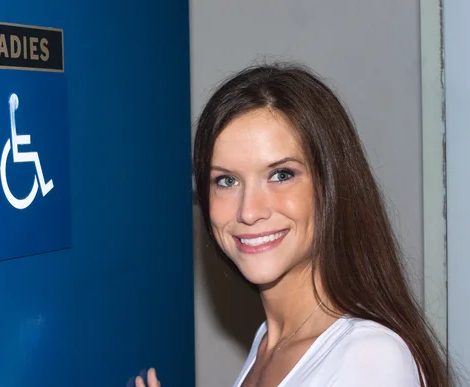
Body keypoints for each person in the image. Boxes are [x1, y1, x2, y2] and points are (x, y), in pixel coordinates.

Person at [135, 62, 452, 387]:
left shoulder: (369, 358)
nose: (249, 211)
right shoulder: (269, 343)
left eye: (281, 175)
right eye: (227, 180)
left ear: (331, 186)